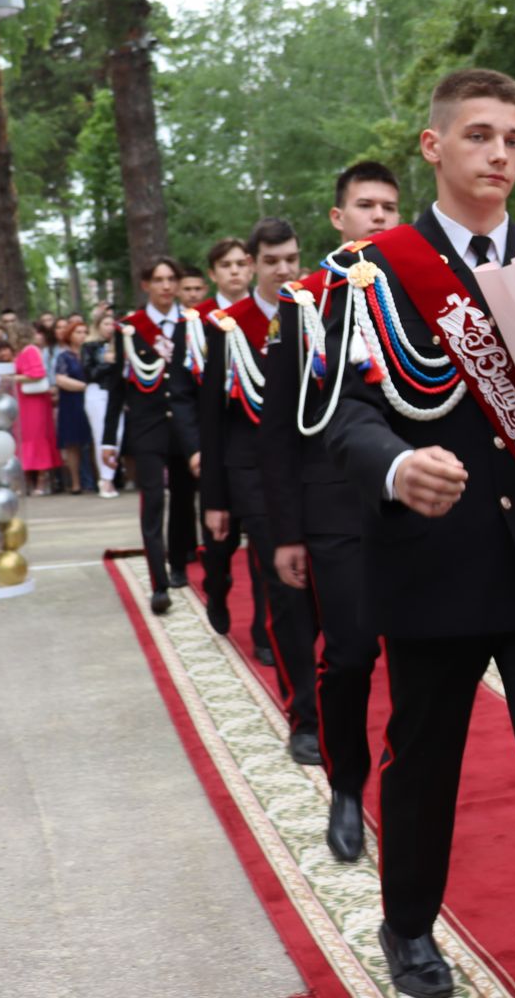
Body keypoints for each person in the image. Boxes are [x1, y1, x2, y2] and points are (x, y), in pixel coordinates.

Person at [323, 68, 515, 998]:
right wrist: (392, 465)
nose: (499, 153)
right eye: (478, 136)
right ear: (434, 145)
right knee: (423, 775)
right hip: (435, 567)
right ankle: (408, 927)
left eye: (512, 139)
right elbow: (341, 412)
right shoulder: (368, 272)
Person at [261, 160, 403, 864]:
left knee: (418, 660)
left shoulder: (420, 290)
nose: (379, 217)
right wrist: (287, 531)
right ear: (338, 218)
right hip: (335, 506)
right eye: (365, 206)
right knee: (348, 657)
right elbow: (282, 426)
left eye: (389, 206)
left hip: (416, 504)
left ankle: (406, 794)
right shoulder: (305, 299)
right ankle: (346, 787)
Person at [201, 216, 322, 766]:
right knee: (286, 594)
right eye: (271, 261)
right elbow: (213, 417)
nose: (283, 270)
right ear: (251, 264)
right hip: (253, 471)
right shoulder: (229, 325)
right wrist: (215, 499)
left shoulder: (315, 311)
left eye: (291, 259)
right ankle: (305, 717)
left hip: (316, 467)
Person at [103, 258, 203, 614]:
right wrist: (108, 439)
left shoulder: (190, 324)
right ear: (146, 284)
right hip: (146, 428)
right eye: (158, 280)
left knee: (181, 501)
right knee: (152, 502)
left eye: (171, 279)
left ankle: (178, 564)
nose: (165, 286)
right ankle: (158, 582)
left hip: (182, 427)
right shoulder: (129, 328)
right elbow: (117, 386)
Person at [197, 236, 273, 663]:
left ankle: (265, 632)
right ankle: (217, 586)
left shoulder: (283, 316)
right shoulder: (216, 326)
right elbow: (209, 412)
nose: (234, 272)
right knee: (222, 547)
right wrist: (211, 489)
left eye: (239, 264)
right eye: (224, 265)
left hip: (267, 458)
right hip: (230, 459)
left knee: (265, 548)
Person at [11, 320, 61, 496]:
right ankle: (27, 481)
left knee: (36, 438)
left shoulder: (31, 350)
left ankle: (42, 480)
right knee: (25, 438)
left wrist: (15, 378)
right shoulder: (22, 352)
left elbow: (37, 373)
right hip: (24, 402)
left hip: (34, 402)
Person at [82, 309, 122, 498]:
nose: (109, 328)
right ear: (98, 326)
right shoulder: (90, 346)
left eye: (112, 324)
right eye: (105, 324)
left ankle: (111, 475)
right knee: (102, 436)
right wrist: (109, 363)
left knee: (118, 434)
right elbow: (90, 373)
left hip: (116, 393)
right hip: (97, 392)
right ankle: (106, 480)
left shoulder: (121, 345)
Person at [54, 319, 93, 494]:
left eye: (85, 332)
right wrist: (86, 386)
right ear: (69, 335)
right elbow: (61, 380)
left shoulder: (92, 353)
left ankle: (95, 480)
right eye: (78, 332)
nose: (82, 335)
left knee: (93, 440)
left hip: (92, 401)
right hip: (72, 402)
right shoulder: (64, 357)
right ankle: (76, 483)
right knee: (73, 444)